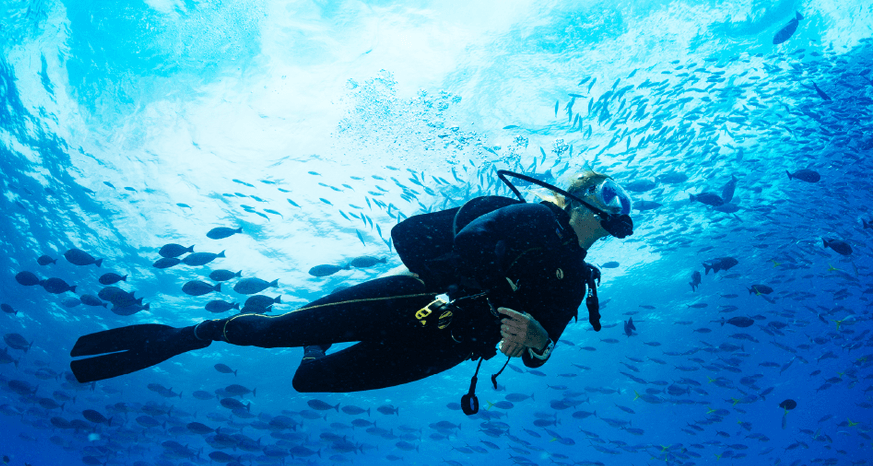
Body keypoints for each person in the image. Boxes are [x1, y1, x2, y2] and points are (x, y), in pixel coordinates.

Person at [70, 170, 633, 411]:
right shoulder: (534, 219)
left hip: (450, 347)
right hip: (416, 299)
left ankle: (315, 347)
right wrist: (489, 295)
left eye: (622, 202)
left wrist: (535, 341)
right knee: (271, 333)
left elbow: (540, 353)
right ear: (580, 198)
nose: (618, 207)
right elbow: (469, 241)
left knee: (311, 380)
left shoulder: (578, 280)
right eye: (609, 193)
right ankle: (198, 332)